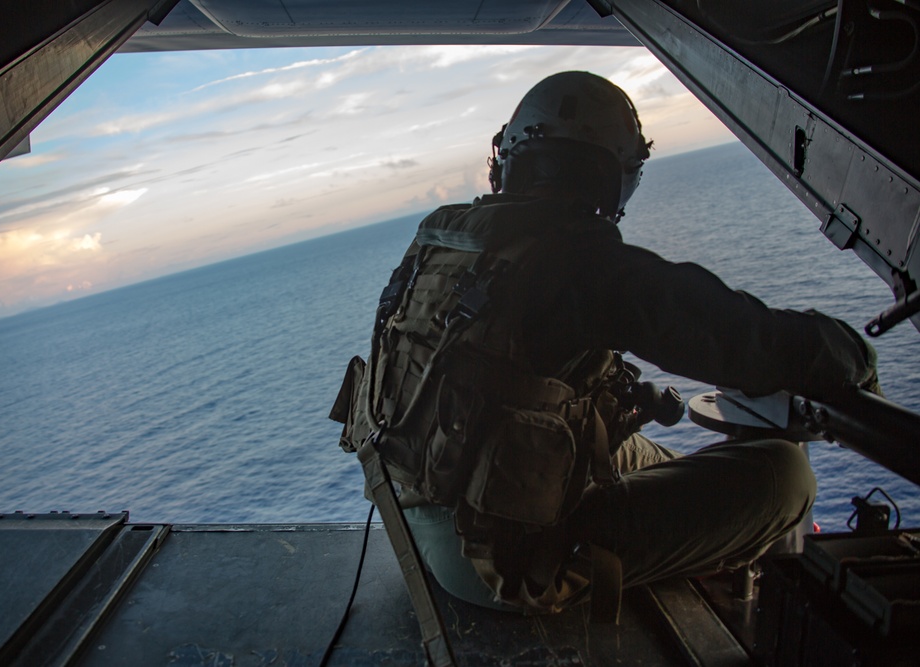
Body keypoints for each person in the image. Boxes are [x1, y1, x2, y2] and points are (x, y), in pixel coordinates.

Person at [330, 71, 878, 617]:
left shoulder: (446, 236)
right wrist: (854, 357)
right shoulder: (582, 262)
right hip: (496, 562)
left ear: (509, 157)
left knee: (656, 460)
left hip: (409, 517)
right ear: (613, 175)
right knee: (786, 477)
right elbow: (744, 339)